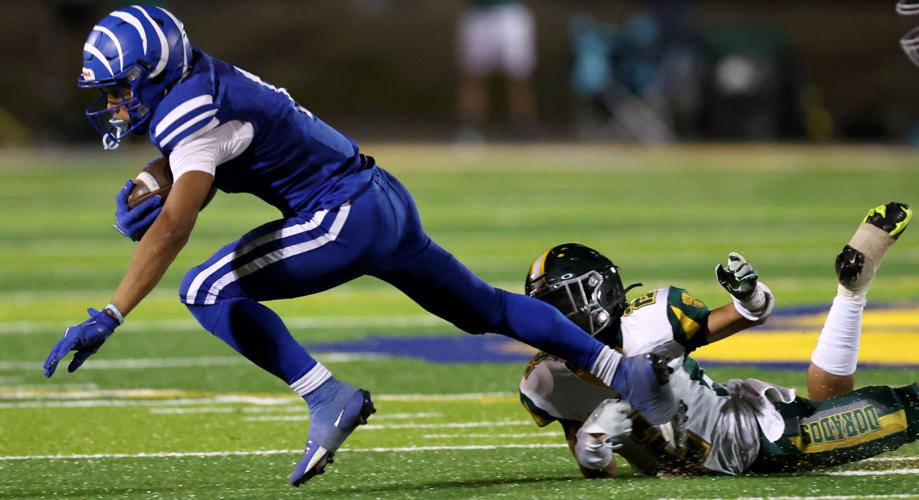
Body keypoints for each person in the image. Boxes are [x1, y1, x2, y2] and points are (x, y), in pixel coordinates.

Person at [41, 5, 677, 487]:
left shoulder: (188, 109)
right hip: (380, 197)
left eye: (121, 88)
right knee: (488, 307)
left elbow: (177, 223)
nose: (115, 104)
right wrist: (159, 174)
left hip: (342, 214)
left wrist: (112, 312)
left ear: (154, 72)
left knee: (204, 287)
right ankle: (628, 374)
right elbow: (215, 152)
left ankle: (326, 396)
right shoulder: (201, 77)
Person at [518, 202, 917, 477]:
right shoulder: (547, 380)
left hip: (760, 438)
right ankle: (852, 292)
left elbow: (748, 315)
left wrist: (748, 295)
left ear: (598, 293)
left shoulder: (651, 322)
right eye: (544, 308)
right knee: (831, 401)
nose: (549, 319)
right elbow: (599, 472)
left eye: (559, 303)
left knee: (900, 412)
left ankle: (851, 294)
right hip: (700, 465)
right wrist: (593, 450)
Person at [456, 0, 538, 141]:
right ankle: (469, 129)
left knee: (519, 75)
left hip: (512, 12)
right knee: (474, 75)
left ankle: (524, 128)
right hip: (479, 14)